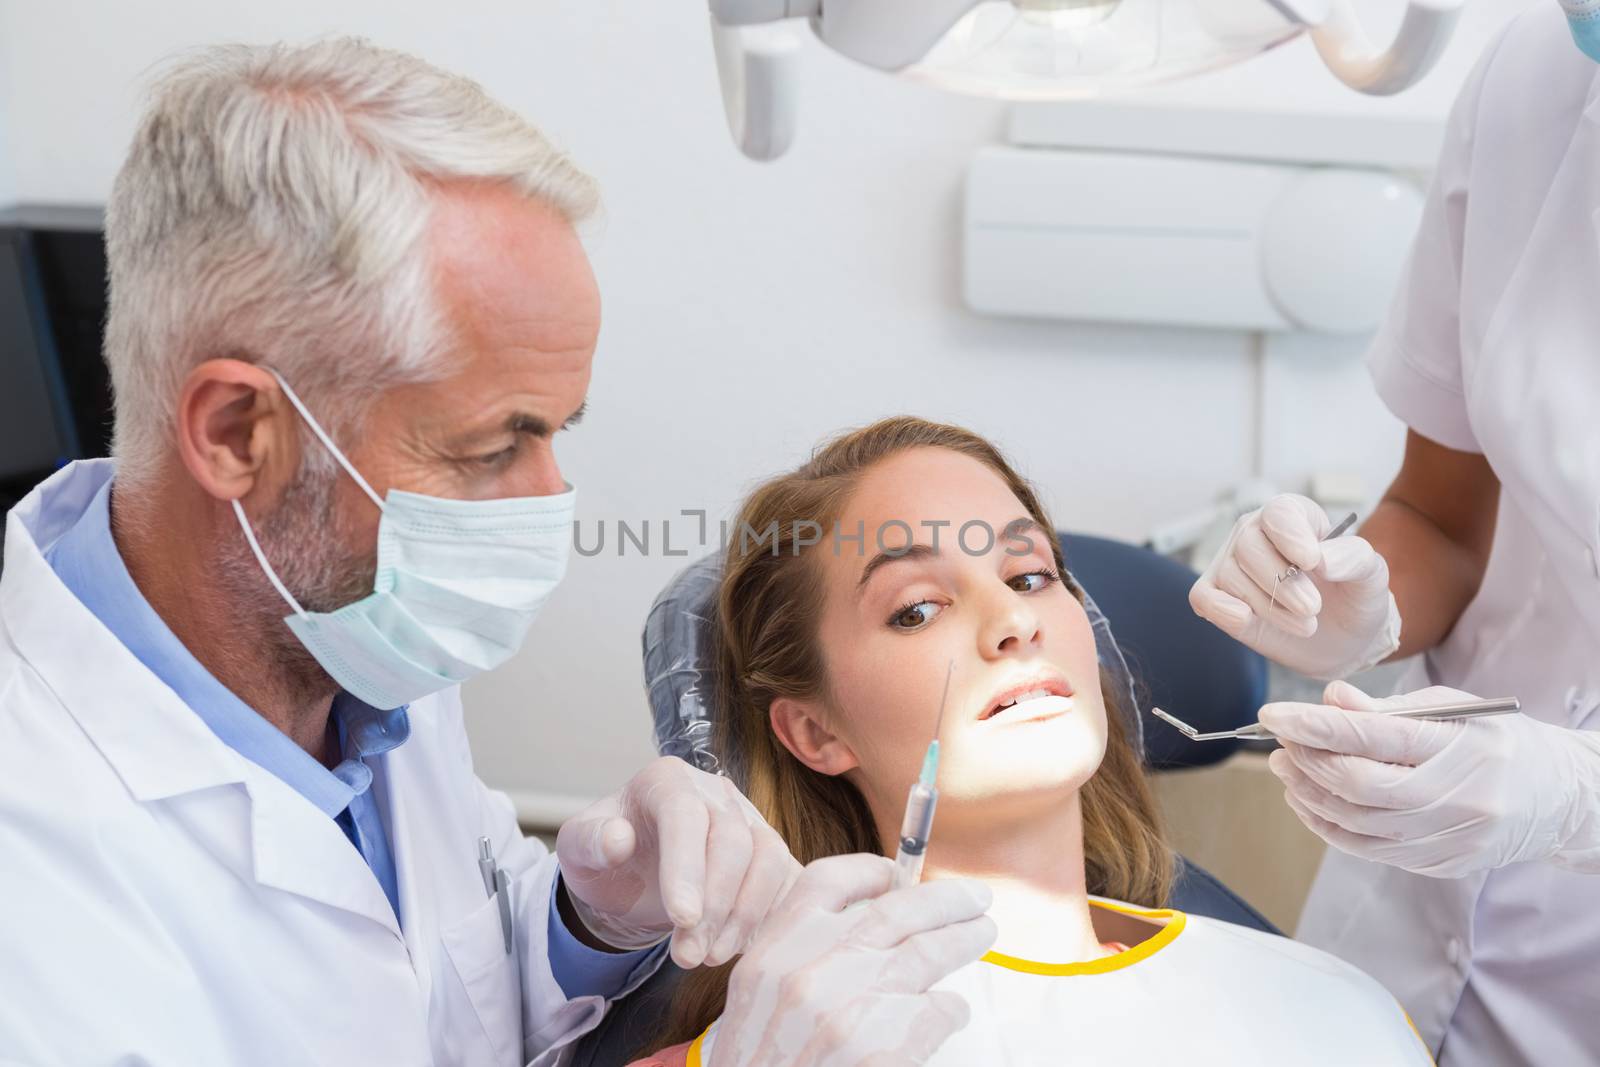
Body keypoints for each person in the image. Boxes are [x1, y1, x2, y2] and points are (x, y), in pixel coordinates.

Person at [0, 41, 991, 1067]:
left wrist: (585, 916)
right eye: (491, 446)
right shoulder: (36, 895)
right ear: (236, 432)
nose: (548, 498)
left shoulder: (347, 632)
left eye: (559, 429)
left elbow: (442, 995)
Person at [629, 417, 1433, 1066]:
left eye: (1028, 576)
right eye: (916, 608)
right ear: (815, 730)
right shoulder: (775, 1046)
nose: (1015, 621)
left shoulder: (1340, 1012)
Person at [1186, 6, 1600, 1064]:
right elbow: (1438, 515)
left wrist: (1573, 800)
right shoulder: (1538, 73)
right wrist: (1354, 599)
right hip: (1397, 943)